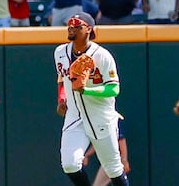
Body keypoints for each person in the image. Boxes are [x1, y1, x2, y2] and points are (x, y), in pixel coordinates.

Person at [53, 12, 129, 186]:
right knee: (70, 164)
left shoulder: (102, 55)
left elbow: (114, 88)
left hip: (100, 115)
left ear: (88, 29)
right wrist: (62, 98)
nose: (71, 28)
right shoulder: (60, 52)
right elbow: (61, 79)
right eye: (69, 25)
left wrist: (86, 90)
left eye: (76, 26)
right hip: (75, 115)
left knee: (113, 169)